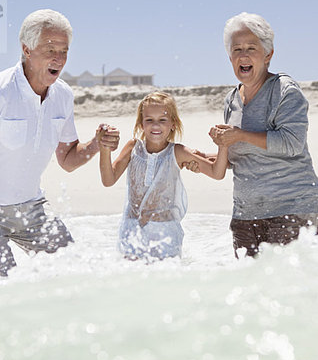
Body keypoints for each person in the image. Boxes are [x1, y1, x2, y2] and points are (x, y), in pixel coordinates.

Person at [0, 9, 120, 276]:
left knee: (74, 273)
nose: (58, 58)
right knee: (5, 284)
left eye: (64, 51)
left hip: (31, 208)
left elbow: (68, 160)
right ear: (27, 49)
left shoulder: (63, 95)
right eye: (50, 49)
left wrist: (96, 144)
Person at [207, 12, 318, 258]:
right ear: (230, 57)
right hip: (245, 214)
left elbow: (292, 143)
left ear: (268, 55)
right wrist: (207, 156)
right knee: (251, 288)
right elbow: (242, 153)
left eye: (251, 48)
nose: (243, 55)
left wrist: (239, 135)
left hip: (292, 208)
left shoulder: (285, 91)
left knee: (289, 288)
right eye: (237, 49)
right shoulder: (231, 99)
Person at [98, 91, 228, 260]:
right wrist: (104, 148)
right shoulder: (133, 148)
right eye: (149, 120)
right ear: (141, 124)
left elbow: (216, 173)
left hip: (165, 231)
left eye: (162, 120)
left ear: (173, 124)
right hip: (132, 229)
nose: (155, 125)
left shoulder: (177, 152)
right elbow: (108, 180)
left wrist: (223, 146)